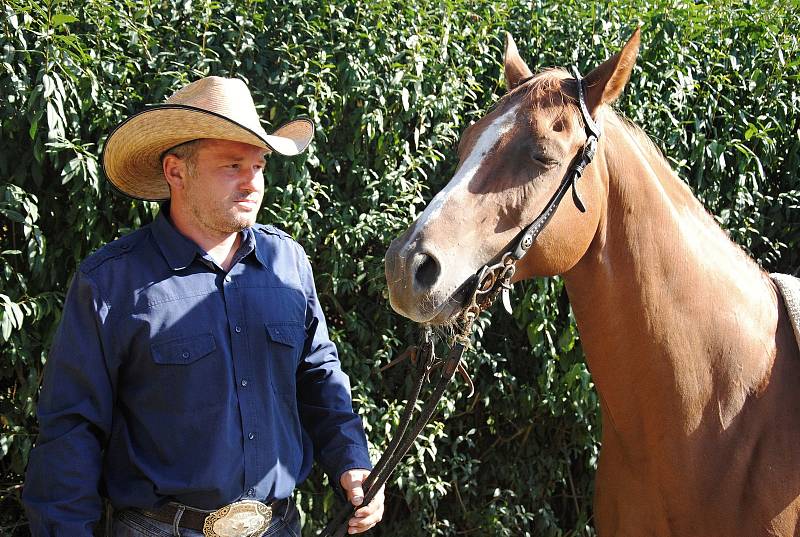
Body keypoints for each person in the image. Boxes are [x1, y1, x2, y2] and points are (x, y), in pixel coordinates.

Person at [22, 76, 385, 537]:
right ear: (176, 171)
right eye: (233, 165)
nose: (252, 183)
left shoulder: (287, 263)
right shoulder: (111, 283)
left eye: (259, 166)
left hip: (278, 527)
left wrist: (351, 460)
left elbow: (318, 376)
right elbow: (71, 433)